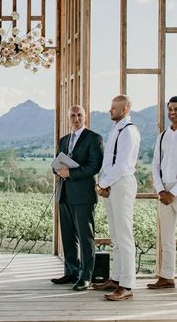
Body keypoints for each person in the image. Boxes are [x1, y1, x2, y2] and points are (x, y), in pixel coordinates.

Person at [93, 95, 140, 301]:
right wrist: (104, 183)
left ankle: (127, 286)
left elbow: (121, 165)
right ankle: (117, 278)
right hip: (112, 184)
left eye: (114, 108)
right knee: (115, 236)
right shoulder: (117, 130)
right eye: (111, 107)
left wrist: (102, 184)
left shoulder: (129, 132)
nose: (110, 110)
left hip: (121, 183)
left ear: (126, 108)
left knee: (124, 236)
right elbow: (109, 163)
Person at [51, 105, 103, 291]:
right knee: (67, 236)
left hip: (83, 196)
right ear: (68, 118)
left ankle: (85, 276)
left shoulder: (94, 138)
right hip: (64, 194)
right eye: (72, 115)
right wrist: (57, 169)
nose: (76, 118)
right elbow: (56, 163)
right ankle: (71, 271)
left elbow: (94, 167)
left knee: (85, 237)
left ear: (85, 116)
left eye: (79, 115)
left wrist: (70, 173)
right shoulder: (64, 140)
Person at [147, 96, 177, 290]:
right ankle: (166, 277)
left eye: (176, 109)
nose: (172, 112)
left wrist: (174, 192)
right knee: (166, 238)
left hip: (174, 191)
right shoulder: (162, 136)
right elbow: (155, 165)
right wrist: (160, 190)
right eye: (170, 109)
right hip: (164, 191)